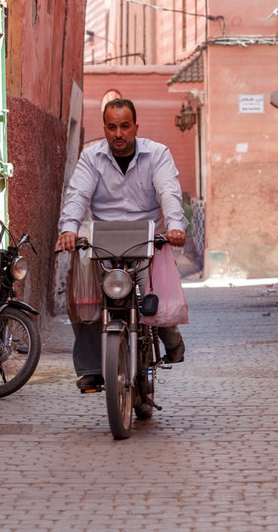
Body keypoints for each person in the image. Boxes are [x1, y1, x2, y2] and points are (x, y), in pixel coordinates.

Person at [56, 98, 187, 391]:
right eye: (112, 126)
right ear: (104, 128)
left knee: (157, 298)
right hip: (103, 242)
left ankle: (170, 335)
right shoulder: (91, 158)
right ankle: (91, 368)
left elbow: (169, 192)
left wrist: (176, 227)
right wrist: (68, 229)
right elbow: (78, 195)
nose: (118, 133)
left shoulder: (157, 154)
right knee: (85, 297)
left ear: (135, 127)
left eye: (124, 126)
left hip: (146, 240)